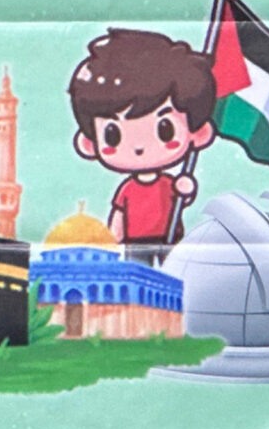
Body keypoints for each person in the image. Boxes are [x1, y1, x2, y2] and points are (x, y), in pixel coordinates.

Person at [68, 27, 219, 259]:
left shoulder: (168, 184)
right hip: (135, 244)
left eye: (165, 130)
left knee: (172, 275)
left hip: (170, 239)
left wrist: (186, 189)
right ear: (89, 144)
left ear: (199, 134)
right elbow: (119, 214)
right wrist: (114, 237)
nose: (138, 146)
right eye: (112, 135)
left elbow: (181, 198)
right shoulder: (128, 189)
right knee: (138, 277)